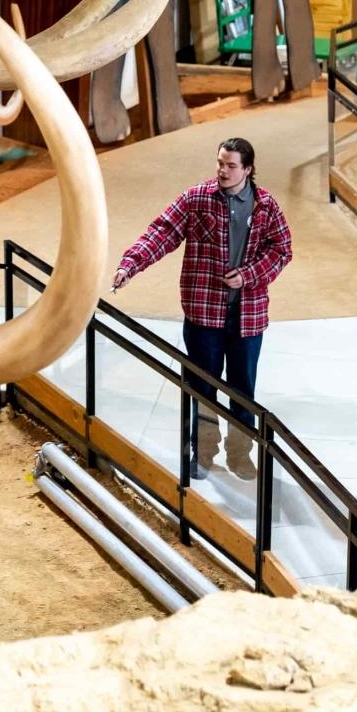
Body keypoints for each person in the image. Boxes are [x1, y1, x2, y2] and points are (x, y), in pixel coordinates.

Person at [112, 137, 293, 480]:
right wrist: (129, 265)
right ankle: (204, 454)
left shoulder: (267, 206)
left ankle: (240, 455)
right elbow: (161, 232)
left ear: (248, 169)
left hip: (247, 317)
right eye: (220, 163)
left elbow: (282, 250)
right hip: (203, 314)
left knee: (243, 391)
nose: (223, 171)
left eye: (231, 166)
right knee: (202, 389)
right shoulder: (196, 199)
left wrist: (250, 275)